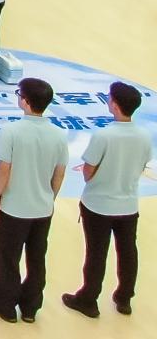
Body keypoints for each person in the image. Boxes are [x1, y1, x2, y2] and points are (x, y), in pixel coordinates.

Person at [64, 80, 150, 318]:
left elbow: (88, 171)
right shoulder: (144, 136)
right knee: (128, 251)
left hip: (98, 205)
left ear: (115, 105)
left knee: (96, 253)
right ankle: (124, 298)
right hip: (128, 204)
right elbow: (142, 166)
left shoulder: (104, 135)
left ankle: (88, 300)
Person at [0, 77, 64, 321]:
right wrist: (49, 197)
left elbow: (3, 168)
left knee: (7, 257)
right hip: (43, 208)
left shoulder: (12, 131)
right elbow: (59, 173)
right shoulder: (59, 135)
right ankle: (30, 308)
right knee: (37, 258)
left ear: (26, 101)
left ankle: (5, 305)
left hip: (14, 208)